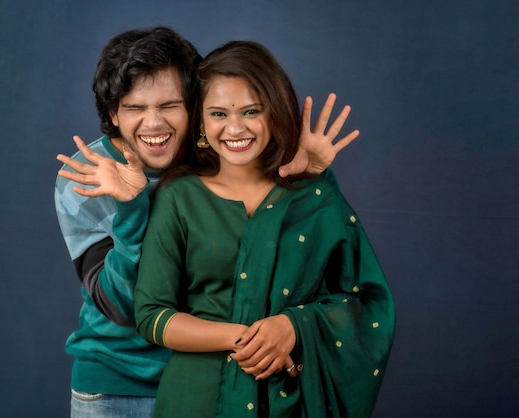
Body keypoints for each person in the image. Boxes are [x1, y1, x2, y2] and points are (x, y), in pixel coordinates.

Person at [55, 27, 359, 418]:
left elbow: (296, 256)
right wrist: (131, 207)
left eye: (169, 105)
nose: (153, 124)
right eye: (134, 108)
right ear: (114, 114)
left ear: (194, 106)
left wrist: (313, 175)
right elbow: (124, 308)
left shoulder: (219, 153)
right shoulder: (86, 175)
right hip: (118, 385)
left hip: (217, 379)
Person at [133, 40, 395, 417]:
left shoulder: (313, 194)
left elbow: (366, 303)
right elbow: (152, 315)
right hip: (198, 398)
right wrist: (249, 338)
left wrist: (293, 326)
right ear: (201, 123)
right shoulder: (180, 195)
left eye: (251, 111)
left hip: (291, 397)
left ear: (274, 113)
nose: (234, 127)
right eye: (219, 113)